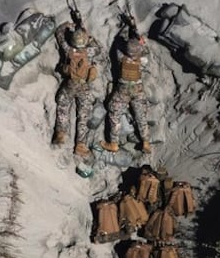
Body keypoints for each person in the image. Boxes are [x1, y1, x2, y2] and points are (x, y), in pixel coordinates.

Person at [52, 22, 102, 157]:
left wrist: (66, 25)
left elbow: (59, 34)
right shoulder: (90, 51)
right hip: (83, 87)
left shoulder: (68, 50)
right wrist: (88, 36)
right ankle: (80, 145)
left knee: (63, 108)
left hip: (69, 84)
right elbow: (98, 48)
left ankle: (60, 135)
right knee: (83, 116)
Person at [100, 34, 151, 154]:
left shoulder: (121, 57)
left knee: (114, 113)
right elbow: (144, 50)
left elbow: (117, 45)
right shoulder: (143, 60)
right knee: (141, 116)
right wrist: (141, 42)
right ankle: (146, 143)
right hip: (137, 90)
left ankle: (113, 143)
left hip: (122, 90)